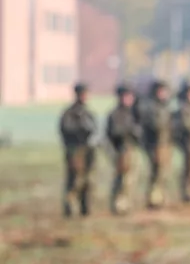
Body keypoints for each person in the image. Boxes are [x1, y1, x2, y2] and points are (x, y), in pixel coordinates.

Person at [58, 82, 98, 218]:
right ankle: (70, 208)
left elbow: (94, 130)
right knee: (75, 179)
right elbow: (67, 131)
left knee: (88, 180)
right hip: (75, 150)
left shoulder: (88, 113)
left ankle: (85, 208)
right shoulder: (69, 113)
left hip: (88, 150)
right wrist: (81, 129)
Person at [106, 84, 143, 215]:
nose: (129, 99)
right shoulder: (116, 114)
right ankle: (119, 204)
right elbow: (114, 133)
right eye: (127, 96)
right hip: (122, 150)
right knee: (122, 179)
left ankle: (126, 203)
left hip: (132, 150)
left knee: (131, 179)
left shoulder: (132, 113)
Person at [141, 80, 174, 209]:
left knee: (164, 173)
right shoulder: (150, 107)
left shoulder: (165, 107)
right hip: (155, 145)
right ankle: (154, 199)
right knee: (156, 173)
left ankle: (161, 198)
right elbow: (153, 126)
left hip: (165, 145)